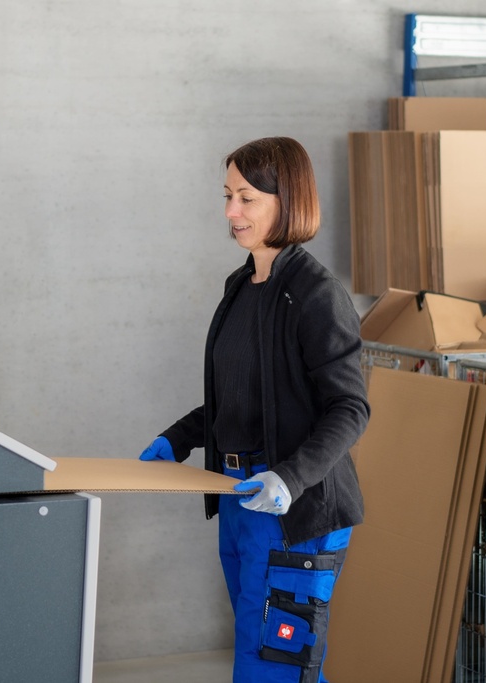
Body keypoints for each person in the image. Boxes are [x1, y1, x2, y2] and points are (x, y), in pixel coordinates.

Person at [139, 136, 370, 683]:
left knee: (274, 666)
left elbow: (349, 407)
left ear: (285, 201)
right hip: (240, 499)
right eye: (227, 196)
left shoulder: (315, 295)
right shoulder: (242, 286)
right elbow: (241, 392)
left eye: (246, 198)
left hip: (295, 513)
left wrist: (289, 480)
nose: (230, 212)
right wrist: (179, 437)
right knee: (267, 655)